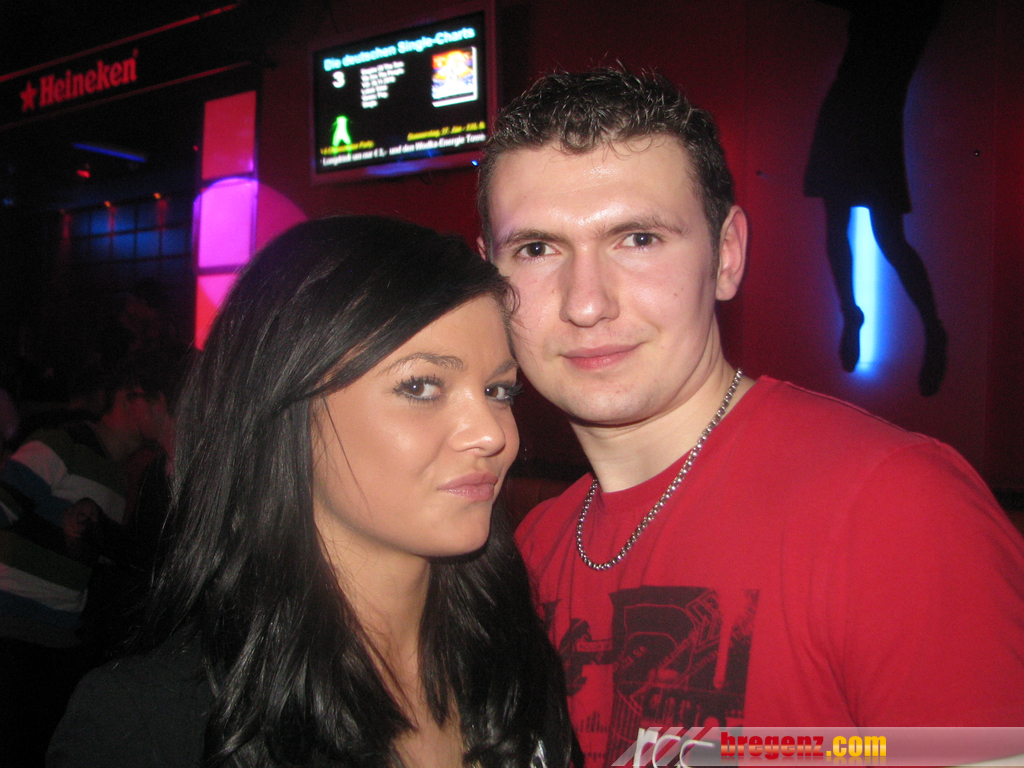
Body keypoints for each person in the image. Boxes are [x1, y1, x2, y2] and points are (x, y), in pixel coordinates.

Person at [476, 68, 1024, 766]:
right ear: (490, 281)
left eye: (638, 239)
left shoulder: (895, 509)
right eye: (536, 249)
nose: (586, 303)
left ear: (727, 255)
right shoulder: (533, 547)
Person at [48, 216, 576, 768]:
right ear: (285, 410)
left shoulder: (516, 653)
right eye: (421, 386)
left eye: (498, 390)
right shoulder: (150, 723)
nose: (492, 433)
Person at [0, 355, 172, 767]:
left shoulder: (120, 478)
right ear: (133, 398)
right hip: (12, 630)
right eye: (166, 405)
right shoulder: (63, 444)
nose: (172, 418)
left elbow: (82, 566)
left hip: (58, 640)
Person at [804, 0, 947, 395]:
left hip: (873, 123)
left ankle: (930, 328)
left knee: (885, 237)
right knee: (849, 229)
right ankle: (856, 314)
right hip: (851, 117)